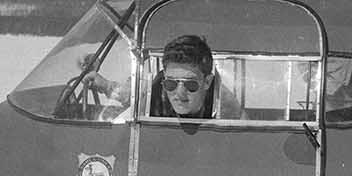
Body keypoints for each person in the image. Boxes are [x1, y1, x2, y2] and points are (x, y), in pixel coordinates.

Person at [85, 34, 241, 120]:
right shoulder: (155, 89)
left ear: (207, 82)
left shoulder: (224, 104)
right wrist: (106, 85)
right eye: (171, 84)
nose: (179, 94)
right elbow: (131, 98)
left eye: (190, 85)